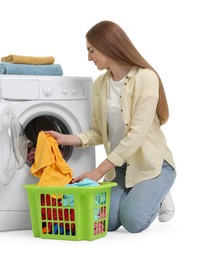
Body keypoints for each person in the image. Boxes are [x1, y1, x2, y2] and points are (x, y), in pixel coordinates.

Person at [46, 20, 176, 233]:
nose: (89, 57)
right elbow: (98, 132)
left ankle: (160, 188)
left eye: (91, 50)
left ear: (107, 45)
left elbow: (136, 136)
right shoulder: (100, 84)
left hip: (152, 164)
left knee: (133, 221)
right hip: (121, 167)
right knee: (107, 222)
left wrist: (98, 172)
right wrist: (65, 138)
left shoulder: (146, 78)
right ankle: (140, 191)